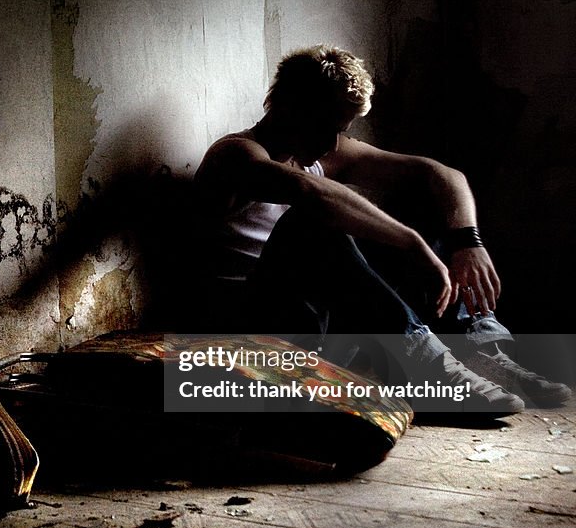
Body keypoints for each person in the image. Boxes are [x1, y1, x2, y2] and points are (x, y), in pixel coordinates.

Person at [193, 45, 571, 415]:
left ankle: (481, 352)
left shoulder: (324, 152)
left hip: (325, 323)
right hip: (254, 326)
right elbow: (308, 192)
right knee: (313, 221)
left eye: (339, 130)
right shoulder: (236, 154)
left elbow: (439, 173)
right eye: (324, 126)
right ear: (289, 106)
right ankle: (426, 365)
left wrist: (466, 242)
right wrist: (413, 244)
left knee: (426, 201)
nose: (330, 142)